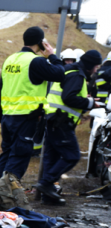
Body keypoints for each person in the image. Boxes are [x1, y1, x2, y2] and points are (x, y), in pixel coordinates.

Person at [0, 27, 65, 195]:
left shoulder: (10, 60)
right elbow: (60, 74)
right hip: (26, 118)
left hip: (8, 116)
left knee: (6, 154)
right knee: (19, 155)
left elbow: (1, 88)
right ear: (41, 43)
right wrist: (52, 56)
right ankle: (6, 196)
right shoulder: (36, 61)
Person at [38, 50, 105, 204]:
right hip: (61, 121)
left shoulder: (70, 70)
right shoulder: (77, 75)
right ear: (89, 65)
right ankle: (46, 183)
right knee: (72, 156)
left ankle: (47, 198)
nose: (96, 70)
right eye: (95, 67)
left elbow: (66, 93)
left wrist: (84, 100)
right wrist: (90, 103)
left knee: (52, 157)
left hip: (53, 119)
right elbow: (68, 98)